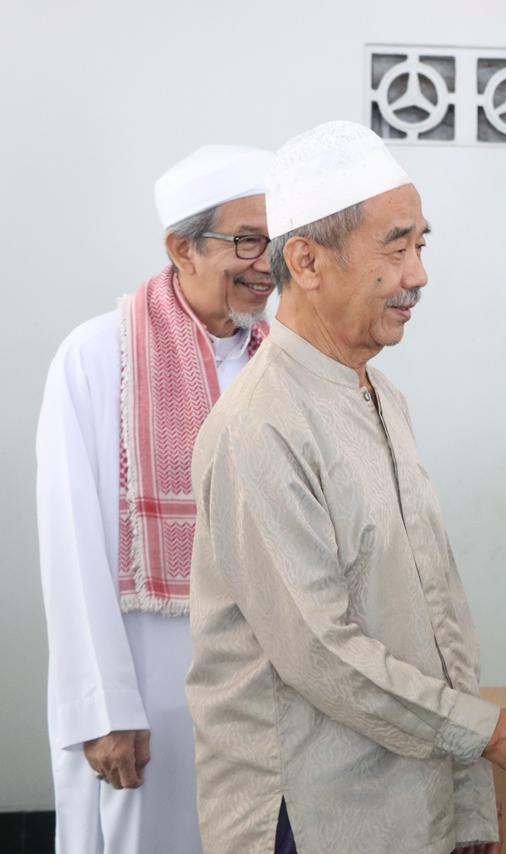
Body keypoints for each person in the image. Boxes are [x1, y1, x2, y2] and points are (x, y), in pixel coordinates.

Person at [186, 121, 506, 854]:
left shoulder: (379, 396)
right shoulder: (259, 427)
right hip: (312, 815)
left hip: (414, 802)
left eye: (421, 246)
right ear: (307, 261)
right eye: (396, 247)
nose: (418, 275)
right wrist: (500, 737)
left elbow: (438, 615)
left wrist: (467, 805)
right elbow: (323, 655)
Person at [35, 143, 275, 853]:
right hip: (148, 692)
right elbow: (70, 541)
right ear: (182, 248)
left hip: (264, 696)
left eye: (279, 241)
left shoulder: (281, 360)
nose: (267, 264)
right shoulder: (98, 355)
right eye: (247, 241)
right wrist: (102, 706)